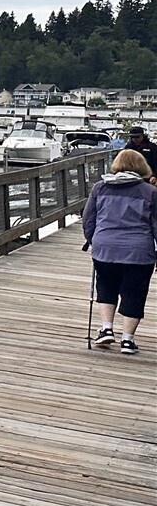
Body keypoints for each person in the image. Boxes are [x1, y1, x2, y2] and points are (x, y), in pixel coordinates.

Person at [82, 148, 156, 355]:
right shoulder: (150, 192)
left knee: (106, 287)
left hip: (105, 247)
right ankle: (127, 340)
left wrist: (93, 240)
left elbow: (88, 220)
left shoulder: (100, 188)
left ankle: (106, 328)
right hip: (139, 251)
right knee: (134, 293)